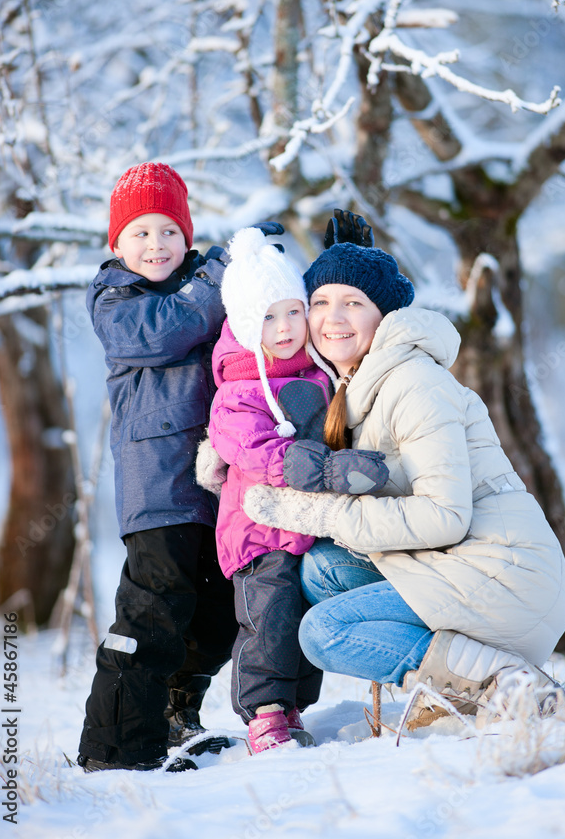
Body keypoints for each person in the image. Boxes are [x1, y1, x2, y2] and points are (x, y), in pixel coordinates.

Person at [241, 241, 565, 725]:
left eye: (354, 303)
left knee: (323, 633)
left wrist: (327, 514)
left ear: (385, 317)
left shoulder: (414, 383)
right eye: (321, 302)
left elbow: (445, 516)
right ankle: (458, 682)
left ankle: (501, 683)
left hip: (505, 577)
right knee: (321, 570)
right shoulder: (355, 388)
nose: (334, 317)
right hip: (460, 564)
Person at [77, 162, 283, 772]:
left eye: (169, 231)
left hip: (216, 487)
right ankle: (115, 748)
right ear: (117, 244)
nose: (156, 244)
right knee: (154, 611)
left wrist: (256, 270)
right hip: (157, 489)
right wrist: (221, 272)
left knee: (218, 613)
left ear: (185, 235)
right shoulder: (116, 299)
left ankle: (174, 713)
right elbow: (165, 333)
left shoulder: (204, 286)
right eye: (140, 233)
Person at [203, 228, 388, 752]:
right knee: (271, 619)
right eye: (268, 317)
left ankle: (292, 706)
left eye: (293, 311)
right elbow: (251, 449)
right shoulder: (238, 388)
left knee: (304, 616)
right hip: (258, 533)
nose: (284, 327)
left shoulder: (317, 371)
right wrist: (312, 468)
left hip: (307, 527)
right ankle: (264, 711)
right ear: (245, 323)